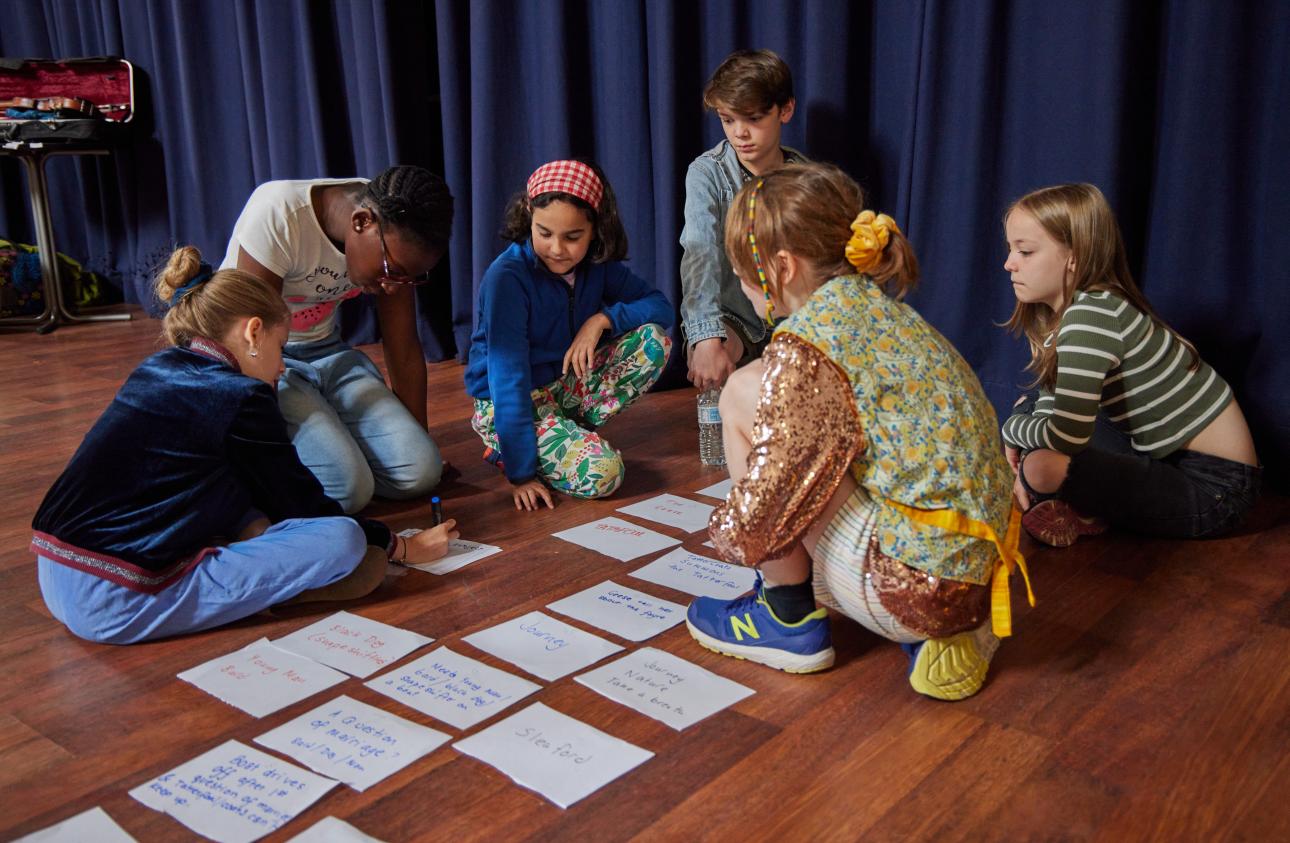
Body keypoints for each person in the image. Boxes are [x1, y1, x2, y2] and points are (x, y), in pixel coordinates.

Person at [684, 163, 1029, 701]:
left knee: (742, 394)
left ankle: (786, 617)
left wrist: (726, 534)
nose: (745, 292)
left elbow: (775, 497)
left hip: (913, 585)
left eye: (744, 276)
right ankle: (949, 627)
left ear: (782, 267)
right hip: (982, 570)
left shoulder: (807, 344)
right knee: (801, 420)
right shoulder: (884, 313)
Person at [30, 248, 460, 645]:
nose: (280, 366)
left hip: (53, 572)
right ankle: (281, 587)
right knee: (342, 538)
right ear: (254, 333)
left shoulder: (158, 367)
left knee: (238, 493)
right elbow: (302, 505)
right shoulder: (243, 397)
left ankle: (273, 569)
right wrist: (400, 546)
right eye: (280, 348)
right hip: (116, 599)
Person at [1000, 183, 1260, 546]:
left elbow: (1065, 436)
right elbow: (1054, 404)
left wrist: (1011, 432)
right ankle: (1080, 503)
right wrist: (1025, 425)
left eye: (1025, 251)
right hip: (1159, 455)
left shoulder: (1092, 316)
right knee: (1031, 408)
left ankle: (1078, 503)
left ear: (1073, 256)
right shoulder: (1077, 312)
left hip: (1215, 491)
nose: (1009, 263)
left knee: (1041, 462)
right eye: (1011, 249)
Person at [223, 165, 453, 513]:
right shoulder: (279, 213)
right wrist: (267, 466)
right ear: (361, 223)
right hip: (265, 360)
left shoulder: (393, 222)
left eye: (409, 279)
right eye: (394, 273)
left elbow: (403, 348)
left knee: (420, 474)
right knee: (349, 491)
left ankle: (331, 431)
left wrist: (417, 441)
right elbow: (251, 348)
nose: (392, 287)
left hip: (328, 353)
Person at [464, 160, 674, 511]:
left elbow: (661, 308)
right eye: (544, 233)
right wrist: (522, 474)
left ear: (595, 229)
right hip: (509, 402)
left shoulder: (597, 265)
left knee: (654, 342)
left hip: (562, 385)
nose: (557, 249)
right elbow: (508, 380)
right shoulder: (507, 279)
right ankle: (510, 448)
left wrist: (602, 319)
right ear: (528, 215)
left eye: (572, 237)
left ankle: (564, 433)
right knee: (605, 474)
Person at [680, 48, 807, 391]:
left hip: (791, 318)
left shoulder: (806, 178)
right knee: (712, 349)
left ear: (786, 110)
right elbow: (699, 254)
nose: (740, 133)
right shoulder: (707, 174)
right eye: (728, 119)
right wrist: (706, 338)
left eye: (753, 119)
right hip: (733, 318)